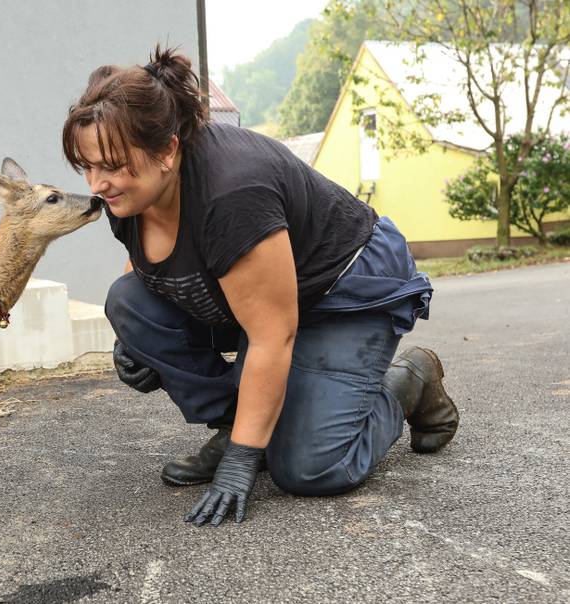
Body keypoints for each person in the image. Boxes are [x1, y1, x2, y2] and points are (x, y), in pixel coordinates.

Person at [61, 46, 459, 527]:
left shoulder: (233, 193)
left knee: (312, 469)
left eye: (111, 165)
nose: (97, 183)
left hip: (341, 289)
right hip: (261, 296)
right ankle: (240, 425)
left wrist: (241, 464)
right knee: (129, 304)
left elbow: (273, 334)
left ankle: (407, 381)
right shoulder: (130, 193)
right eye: (87, 166)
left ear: (167, 149)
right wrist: (135, 342)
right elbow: (144, 273)